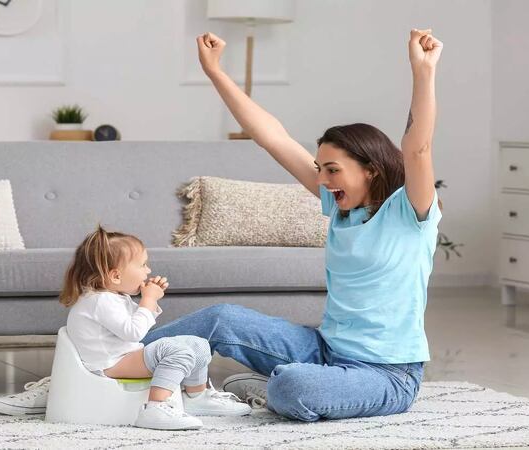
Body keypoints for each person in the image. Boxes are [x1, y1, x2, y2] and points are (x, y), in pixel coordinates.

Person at [138, 28, 445, 422]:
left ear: (370, 169)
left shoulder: (411, 212)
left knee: (292, 386)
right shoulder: (341, 208)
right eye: (320, 169)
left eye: (333, 170)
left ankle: (278, 385)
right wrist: (215, 72)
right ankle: (110, 363)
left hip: (386, 375)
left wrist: (423, 71)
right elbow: (273, 137)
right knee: (221, 319)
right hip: (324, 349)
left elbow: (417, 147)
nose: (321, 180)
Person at [0, 226, 250, 430]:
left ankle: (196, 396)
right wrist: (148, 300)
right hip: (110, 364)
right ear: (114, 276)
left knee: (197, 343)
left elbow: (132, 327)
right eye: (143, 265)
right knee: (176, 351)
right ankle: (155, 408)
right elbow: (134, 332)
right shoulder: (99, 301)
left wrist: (147, 300)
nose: (148, 270)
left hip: (122, 357)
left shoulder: (110, 298)